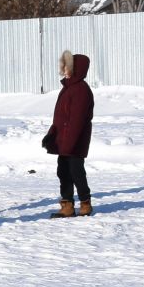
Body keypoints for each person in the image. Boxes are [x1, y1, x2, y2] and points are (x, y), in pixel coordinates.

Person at [46, 50, 95, 217]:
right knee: (63, 171)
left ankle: (85, 203)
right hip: (64, 140)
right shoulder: (68, 88)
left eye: (67, 66)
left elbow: (77, 120)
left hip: (75, 141)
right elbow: (61, 117)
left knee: (76, 172)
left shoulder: (81, 90)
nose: (63, 69)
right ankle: (66, 205)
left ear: (76, 69)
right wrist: (53, 134)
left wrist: (69, 142)